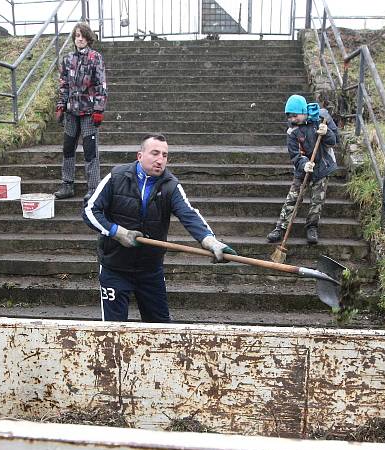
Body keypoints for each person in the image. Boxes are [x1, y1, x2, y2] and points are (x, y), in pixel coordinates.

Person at [82, 134, 237, 322]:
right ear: (140, 155)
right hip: (114, 267)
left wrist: (210, 241)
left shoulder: (170, 185)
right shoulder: (116, 177)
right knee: (113, 331)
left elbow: (189, 214)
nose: (160, 160)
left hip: (150, 270)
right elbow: (90, 210)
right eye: (155, 153)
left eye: (164, 155)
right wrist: (117, 232)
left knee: (161, 327)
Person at [266, 94, 338, 245]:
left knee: (317, 200)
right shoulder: (292, 132)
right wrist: (304, 163)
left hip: (322, 168)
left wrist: (326, 132)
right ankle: (280, 228)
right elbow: (294, 155)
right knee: (293, 198)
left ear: (303, 111)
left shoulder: (321, 118)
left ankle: (312, 227)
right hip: (303, 169)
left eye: (295, 115)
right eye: (289, 117)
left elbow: (333, 140)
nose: (292, 119)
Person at [54, 22, 107, 202]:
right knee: (68, 149)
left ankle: (93, 187)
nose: (80, 39)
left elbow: (101, 86)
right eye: (77, 36)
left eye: (83, 35)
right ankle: (67, 184)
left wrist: (99, 109)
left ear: (88, 38)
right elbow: (64, 85)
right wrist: (61, 106)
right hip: (71, 112)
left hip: (89, 112)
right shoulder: (68, 59)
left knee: (90, 151)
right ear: (74, 38)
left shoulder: (95, 58)